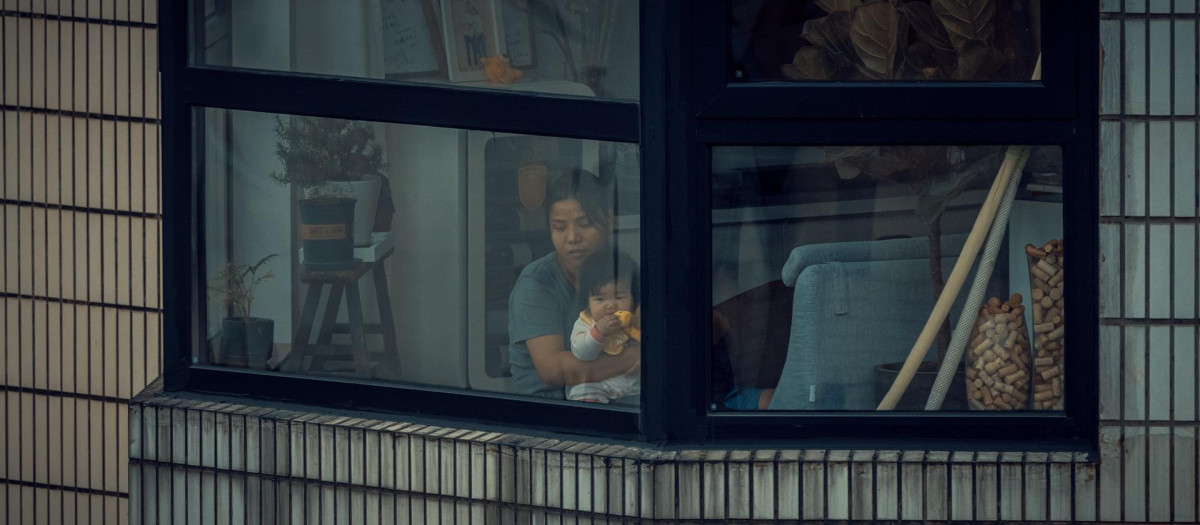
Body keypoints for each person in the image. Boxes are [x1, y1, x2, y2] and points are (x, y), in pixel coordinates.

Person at [508, 169, 640, 399]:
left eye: (584, 224)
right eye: (559, 228)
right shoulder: (536, 284)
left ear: (609, 221)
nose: (572, 238)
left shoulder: (625, 270)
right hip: (549, 418)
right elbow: (553, 369)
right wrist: (634, 357)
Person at [567, 251, 641, 403]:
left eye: (620, 297)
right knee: (582, 389)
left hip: (634, 389)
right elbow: (582, 353)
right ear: (587, 302)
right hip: (600, 385)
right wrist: (599, 331)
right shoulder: (585, 323)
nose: (611, 305)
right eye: (600, 299)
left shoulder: (636, 319)